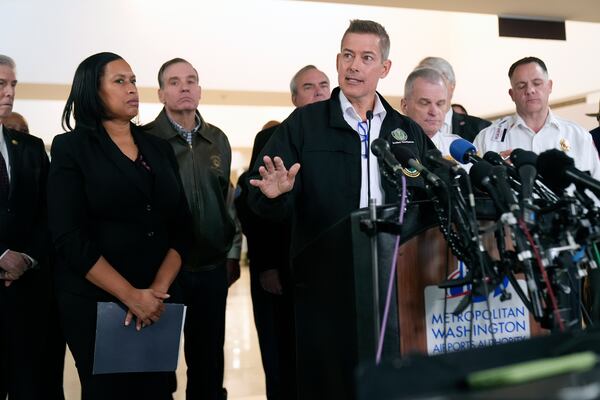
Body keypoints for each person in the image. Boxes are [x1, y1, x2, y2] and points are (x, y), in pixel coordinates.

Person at [247, 20, 434, 399]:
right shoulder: (304, 125)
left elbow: (426, 198)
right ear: (337, 60)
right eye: (348, 55)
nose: (354, 66)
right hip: (324, 284)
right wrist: (274, 196)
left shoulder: (404, 131)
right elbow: (259, 202)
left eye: (366, 58)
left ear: (384, 68)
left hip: (396, 279)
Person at [47, 52, 191, 400]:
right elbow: (69, 237)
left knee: (158, 391)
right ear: (92, 92)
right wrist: (129, 296)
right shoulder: (72, 148)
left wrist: (155, 293)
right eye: (119, 81)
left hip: (157, 300)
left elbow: (182, 228)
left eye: (133, 80)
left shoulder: (158, 148)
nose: (132, 89)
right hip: (96, 303)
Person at [145, 58, 242, 400]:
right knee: (158, 365)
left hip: (212, 268)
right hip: (164, 271)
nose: (184, 87)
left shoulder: (218, 140)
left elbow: (230, 202)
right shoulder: (145, 140)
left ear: (199, 90)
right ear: (160, 94)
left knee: (208, 360)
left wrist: (232, 253)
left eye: (191, 80)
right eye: (174, 82)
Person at [236, 65, 330, 400]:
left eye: (323, 85)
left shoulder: (342, 135)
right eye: (309, 87)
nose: (318, 92)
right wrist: (266, 265)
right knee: (282, 355)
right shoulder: (276, 137)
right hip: (283, 269)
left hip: (328, 271)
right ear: (294, 97)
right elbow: (254, 208)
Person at [0, 54, 63, 400]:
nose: (9, 93)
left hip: (27, 295)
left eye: (13, 85)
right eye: (0, 84)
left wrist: (26, 257)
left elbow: (47, 214)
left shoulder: (30, 148)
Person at [474, 56, 600, 180]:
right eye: (521, 86)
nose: (530, 90)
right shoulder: (487, 138)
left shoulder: (577, 135)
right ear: (512, 94)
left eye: (537, 83)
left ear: (549, 86)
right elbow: (471, 190)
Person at [417, 56, 491, 142]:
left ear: (452, 86)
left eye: (438, 83)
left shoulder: (482, 129)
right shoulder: (405, 129)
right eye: (425, 84)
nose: (432, 90)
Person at [401, 67, 461, 156]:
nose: (434, 112)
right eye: (425, 103)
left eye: (440, 104)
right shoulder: (386, 145)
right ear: (405, 106)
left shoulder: (459, 149)